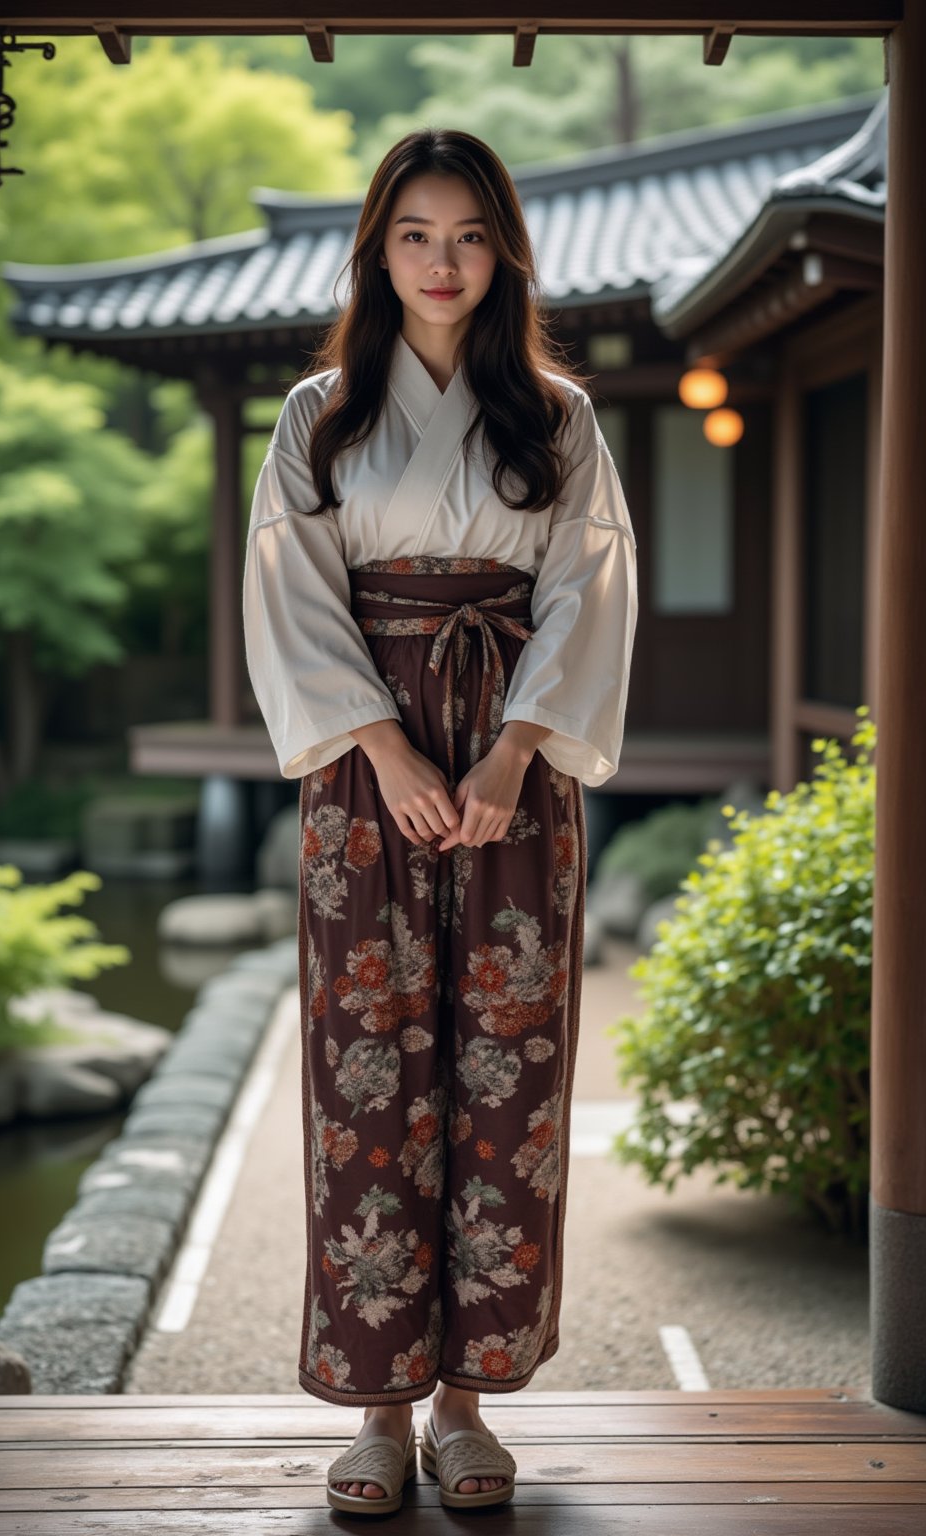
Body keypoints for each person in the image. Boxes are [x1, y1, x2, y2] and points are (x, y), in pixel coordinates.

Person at [242, 127, 639, 1517]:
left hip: (514, 768)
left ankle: (468, 1403)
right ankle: (376, 1407)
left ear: (506, 250)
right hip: (367, 765)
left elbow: (590, 593)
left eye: (469, 234)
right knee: (367, 1067)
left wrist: (516, 749)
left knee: (506, 1072)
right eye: (415, 233)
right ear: (377, 248)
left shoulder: (558, 418)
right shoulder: (321, 410)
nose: (443, 261)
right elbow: (290, 591)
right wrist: (388, 746)